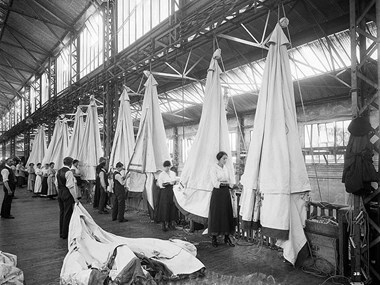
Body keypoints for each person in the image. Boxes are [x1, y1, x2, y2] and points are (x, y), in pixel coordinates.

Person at [208, 151, 235, 247]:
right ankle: (214, 238)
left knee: (226, 214)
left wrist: (232, 185)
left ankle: (226, 237)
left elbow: (228, 180)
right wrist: (226, 184)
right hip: (217, 194)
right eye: (224, 158)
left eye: (226, 158)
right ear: (219, 158)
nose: (225, 160)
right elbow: (215, 183)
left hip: (225, 194)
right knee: (217, 215)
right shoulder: (213, 168)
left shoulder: (226, 168)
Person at [57, 157, 79, 239]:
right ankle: (66, 233)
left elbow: (56, 183)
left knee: (62, 213)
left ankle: (62, 232)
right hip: (67, 193)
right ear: (70, 163)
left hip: (60, 193)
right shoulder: (69, 172)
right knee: (67, 213)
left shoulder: (59, 171)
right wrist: (75, 198)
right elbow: (70, 186)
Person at [156, 160, 178, 231]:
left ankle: (170, 224)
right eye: (166, 167)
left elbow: (174, 181)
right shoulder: (161, 174)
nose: (167, 168)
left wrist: (172, 183)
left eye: (168, 167)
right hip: (164, 192)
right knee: (164, 208)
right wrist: (166, 183)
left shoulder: (173, 173)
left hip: (171, 191)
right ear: (164, 167)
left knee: (172, 207)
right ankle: (163, 225)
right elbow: (160, 184)